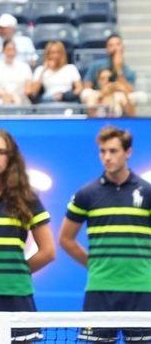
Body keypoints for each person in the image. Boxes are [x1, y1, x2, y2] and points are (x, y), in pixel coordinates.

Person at [58, 126, 151, 343]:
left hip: (142, 289)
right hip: (99, 289)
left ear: (128, 152)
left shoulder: (147, 192)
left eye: (113, 151)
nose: (107, 157)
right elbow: (65, 239)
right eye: (102, 151)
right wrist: (95, 264)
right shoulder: (86, 194)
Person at [0, 127, 55, 341]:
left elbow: (48, 252)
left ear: (11, 157)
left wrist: (18, 271)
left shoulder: (27, 198)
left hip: (17, 296)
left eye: (2, 152)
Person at [80, 34, 148, 111]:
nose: (115, 48)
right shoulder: (96, 65)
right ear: (107, 49)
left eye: (118, 44)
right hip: (100, 97)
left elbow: (130, 92)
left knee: (139, 96)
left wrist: (119, 70)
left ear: (123, 47)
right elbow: (86, 87)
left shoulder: (129, 70)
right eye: (111, 45)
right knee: (87, 93)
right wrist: (102, 92)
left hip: (120, 97)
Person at [0, 39, 34, 105]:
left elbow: (29, 89)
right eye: (8, 49)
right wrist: (1, 94)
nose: (11, 52)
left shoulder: (25, 67)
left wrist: (15, 96)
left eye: (13, 49)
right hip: (0, 98)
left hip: (20, 99)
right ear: (3, 50)